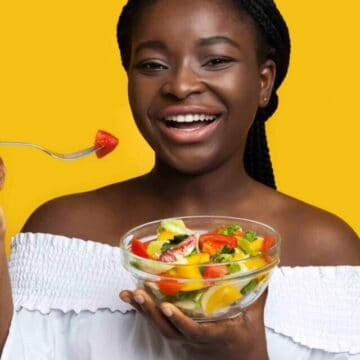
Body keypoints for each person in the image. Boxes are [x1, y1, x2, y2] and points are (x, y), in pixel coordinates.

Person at [1, 0, 359, 359]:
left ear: (263, 82)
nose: (180, 85)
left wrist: (243, 354)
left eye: (216, 61)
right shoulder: (62, 231)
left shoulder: (328, 251)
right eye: (153, 65)